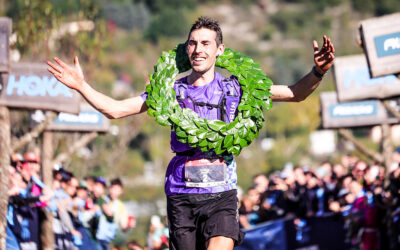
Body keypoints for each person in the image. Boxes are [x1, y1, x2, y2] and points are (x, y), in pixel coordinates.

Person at [47, 16, 335, 250]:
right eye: (193, 43)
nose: (199, 49)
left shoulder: (237, 88)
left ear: (220, 50)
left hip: (221, 194)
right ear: (186, 49)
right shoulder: (170, 91)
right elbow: (116, 109)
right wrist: (81, 86)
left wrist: (318, 72)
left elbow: (295, 93)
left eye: (206, 43)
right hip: (180, 194)